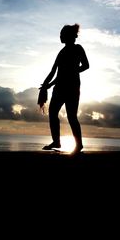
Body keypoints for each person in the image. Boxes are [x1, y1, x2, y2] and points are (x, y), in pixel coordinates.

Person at [40, 24, 89, 154]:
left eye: (62, 35)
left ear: (68, 36)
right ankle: (56, 141)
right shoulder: (61, 52)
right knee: (53, 113)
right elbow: (54, 72)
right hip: (59, 87)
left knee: (72, 116)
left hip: (72, 87)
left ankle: (79, 145)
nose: (60, 37)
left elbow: (86, 65)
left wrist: (73, 71)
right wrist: (47, 85)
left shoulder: (78, 48)